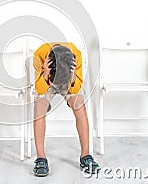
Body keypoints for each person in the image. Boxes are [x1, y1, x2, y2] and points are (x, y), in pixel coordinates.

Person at [32, 42, 100, 177]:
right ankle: (41, 157)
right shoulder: (39, 54)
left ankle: (85, 155)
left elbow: (75, 88)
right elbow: (40, 88)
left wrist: (72, 74)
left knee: (80, 105)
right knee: (39, 108)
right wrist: (46, 72)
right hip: (47, 80)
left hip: (68, 79)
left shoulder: (76, 56)